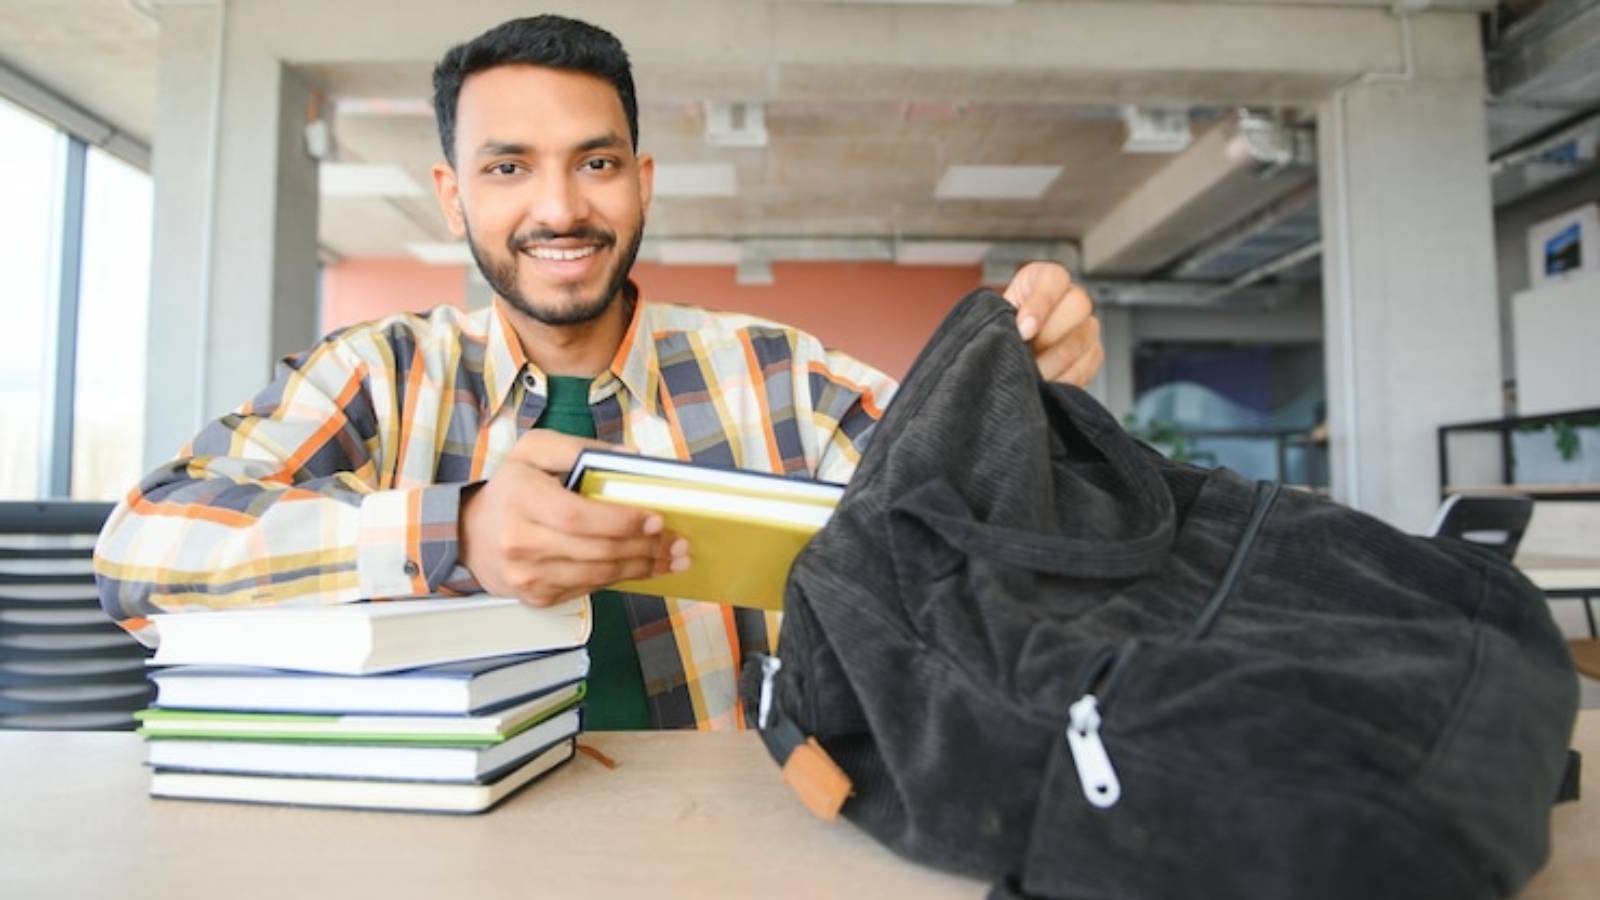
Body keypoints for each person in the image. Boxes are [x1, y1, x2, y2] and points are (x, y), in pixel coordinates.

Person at [94, 14, 1104, 731]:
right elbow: (138, 552)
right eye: (507, 167)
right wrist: (453, 530)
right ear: (451, 196)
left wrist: (1033, 408)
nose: (560, 208)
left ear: (641, 180)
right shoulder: (375, 375)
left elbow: (988, 537)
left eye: (596, 161)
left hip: (734, 842)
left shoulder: (783, 377)